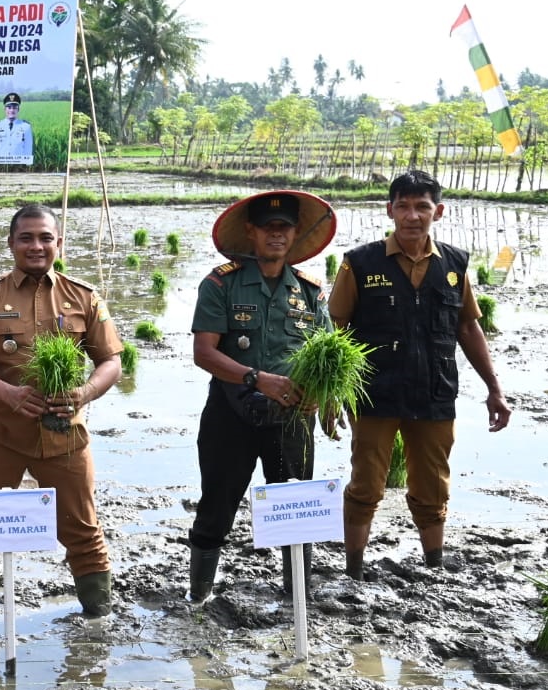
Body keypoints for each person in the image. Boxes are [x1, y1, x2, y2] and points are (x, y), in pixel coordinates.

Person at [330, 170, 510, 578]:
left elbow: (467, 327)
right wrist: (333, 393)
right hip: (374, 393)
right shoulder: (359, 263)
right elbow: (337, 328)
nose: (413, 216)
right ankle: (353, 571)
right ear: (389, 209)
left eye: (422, 207)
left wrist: (494, 388)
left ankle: (435, 568)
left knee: (432, 487)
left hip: (434, 392)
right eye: (404, 206)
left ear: (438, 211)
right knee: (366, 486)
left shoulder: (454, 264)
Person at [0, 205, 123, 616]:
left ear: (58, 243)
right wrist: (7, 395)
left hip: (64, 435)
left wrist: (84, 393)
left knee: (82, 528)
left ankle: (98, 613)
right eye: (26, 237)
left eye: (45, 238)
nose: (36, 246)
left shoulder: (83, 297)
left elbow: (111, 362)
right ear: (11, 243)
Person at [188, 190, 337, 602]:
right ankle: (198, 595)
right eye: (268, 228)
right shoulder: (221, 282)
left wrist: (319, 397)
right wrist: (257, 378)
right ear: (251, 233)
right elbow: (204, 353)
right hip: (230, 415)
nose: (277, 235)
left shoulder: (310, 292)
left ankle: (297, 601)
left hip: (291, 420)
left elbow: (329, 355)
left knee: (297, 509)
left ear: (294, 235)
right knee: (217, 506)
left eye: (284, 228)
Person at [0, 92, 34, 164]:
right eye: (9, 107)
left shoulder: (26, 126)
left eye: (14, 107)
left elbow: (28, 151)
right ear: (4, 109)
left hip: (19, 167)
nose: (12, 110)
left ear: (18, 109)